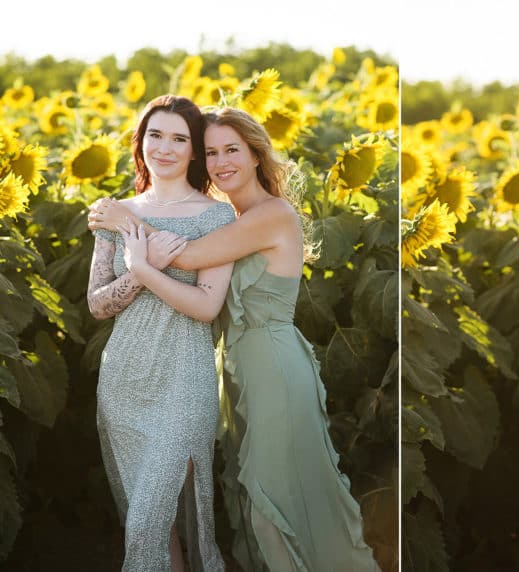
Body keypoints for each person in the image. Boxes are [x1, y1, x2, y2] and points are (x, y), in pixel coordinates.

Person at [89, 107, 379, 572]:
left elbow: (190, 259)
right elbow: (104, 298)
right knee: (257, 502)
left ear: (255, 154)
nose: (221, 161)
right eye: (211, 151)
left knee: (277, 504)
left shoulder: (265, 214)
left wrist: (126, 222)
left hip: (270, 367)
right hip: (233, 368)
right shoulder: (239, 215)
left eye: (231, 150)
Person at [87, 95, 234, 571]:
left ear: (194, 151)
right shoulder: (115, 213)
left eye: (179, 139)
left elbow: (207, 307)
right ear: (141, 141)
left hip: (185, 378)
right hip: (125, 378)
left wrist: (147, 267)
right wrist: (138, 270)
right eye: (155, 135)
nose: (165, 148)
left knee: (150, 515)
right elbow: (97, 304)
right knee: (150, 522)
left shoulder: (217, 218)